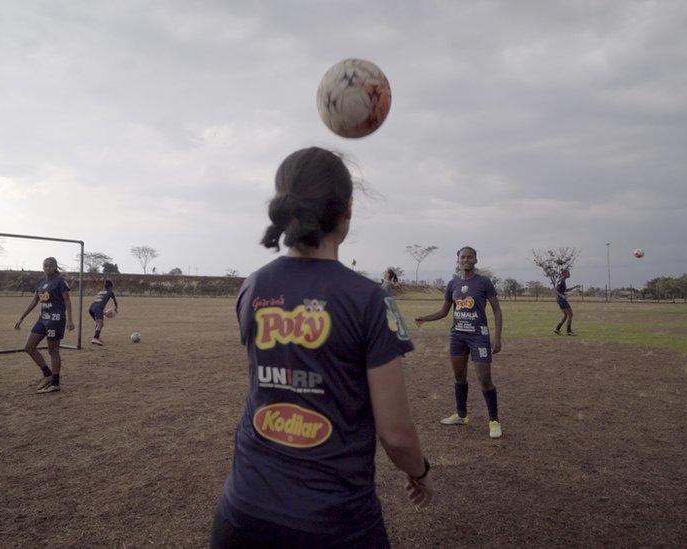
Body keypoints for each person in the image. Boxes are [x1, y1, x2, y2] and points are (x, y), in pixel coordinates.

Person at [211, 147, 432, 549]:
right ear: (347, 209)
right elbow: (396, 435)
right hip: (335, 524)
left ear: (284, 207)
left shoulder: (253, 287)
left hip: (242, 514)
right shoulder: (369, 301)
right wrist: (421, 472)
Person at [415, 247, 504, 438]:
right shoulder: (452, 283)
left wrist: (497, 337)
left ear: (475, 260)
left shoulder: (483, 282)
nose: (466, 259)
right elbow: (444, 311)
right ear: (458, 260)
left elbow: (497, 310)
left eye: (469, 256)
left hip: (479, 336)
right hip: (457, 337)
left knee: (484, 379)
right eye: (463, 257)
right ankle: (462, 416)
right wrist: (425, 318)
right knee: (459, 378)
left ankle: (494, 421)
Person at [14, 257, 73, 393]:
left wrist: (70, 320)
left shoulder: (60, 281)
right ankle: (47, 374)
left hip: (56, 319)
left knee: (53, 351)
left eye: (50, 266)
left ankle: (55, 383)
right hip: (43, 319)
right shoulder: (41, 281)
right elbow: (35, 300)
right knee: (29, 347)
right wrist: (22, 317)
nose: (48, 268)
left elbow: (67, 301)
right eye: (45, 266)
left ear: (55, 266)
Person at [88, 279, 118, 345]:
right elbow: (115, 301)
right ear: (110, 287)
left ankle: (97, 337)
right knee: (100, 324)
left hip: (91, 308)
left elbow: (99, 302)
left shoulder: (101, 292)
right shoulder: (110, 292)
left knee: (99, 323)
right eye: (112, 287)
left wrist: (104, 312)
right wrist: (116, 308)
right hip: (98, 309)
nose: (112, 288)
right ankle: (95, 338)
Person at [554, 269, 579, 335]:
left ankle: (557, 329)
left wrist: (574, 287)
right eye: (568, 273)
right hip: (561, 300)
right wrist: (562, 296)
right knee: (570, 314)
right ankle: (569, 331)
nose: (569, 274)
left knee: (566, 315)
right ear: (564, 273)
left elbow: (564, 290)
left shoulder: (563, 280)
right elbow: (555, 290)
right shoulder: (561, 280)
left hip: (560, 300)